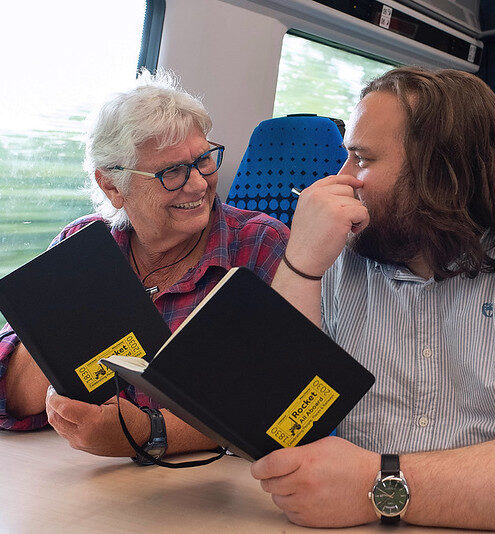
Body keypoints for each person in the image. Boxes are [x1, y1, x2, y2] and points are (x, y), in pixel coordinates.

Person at [250, 67, 495, 531]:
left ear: (441, 173)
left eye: (361, 159)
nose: (342, 178)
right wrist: (302, 266)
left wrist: (379, 484)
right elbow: (268, 425)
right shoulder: (339, 254)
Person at [0, 69, 289, 461]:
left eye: (203, 160)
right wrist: (66, 316)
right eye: (171, 172)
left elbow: (279, 405)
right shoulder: (81, 246)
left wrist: (148, 433)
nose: (199, 184)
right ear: (113, 187)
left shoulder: (259, 245)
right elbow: (10, 395)